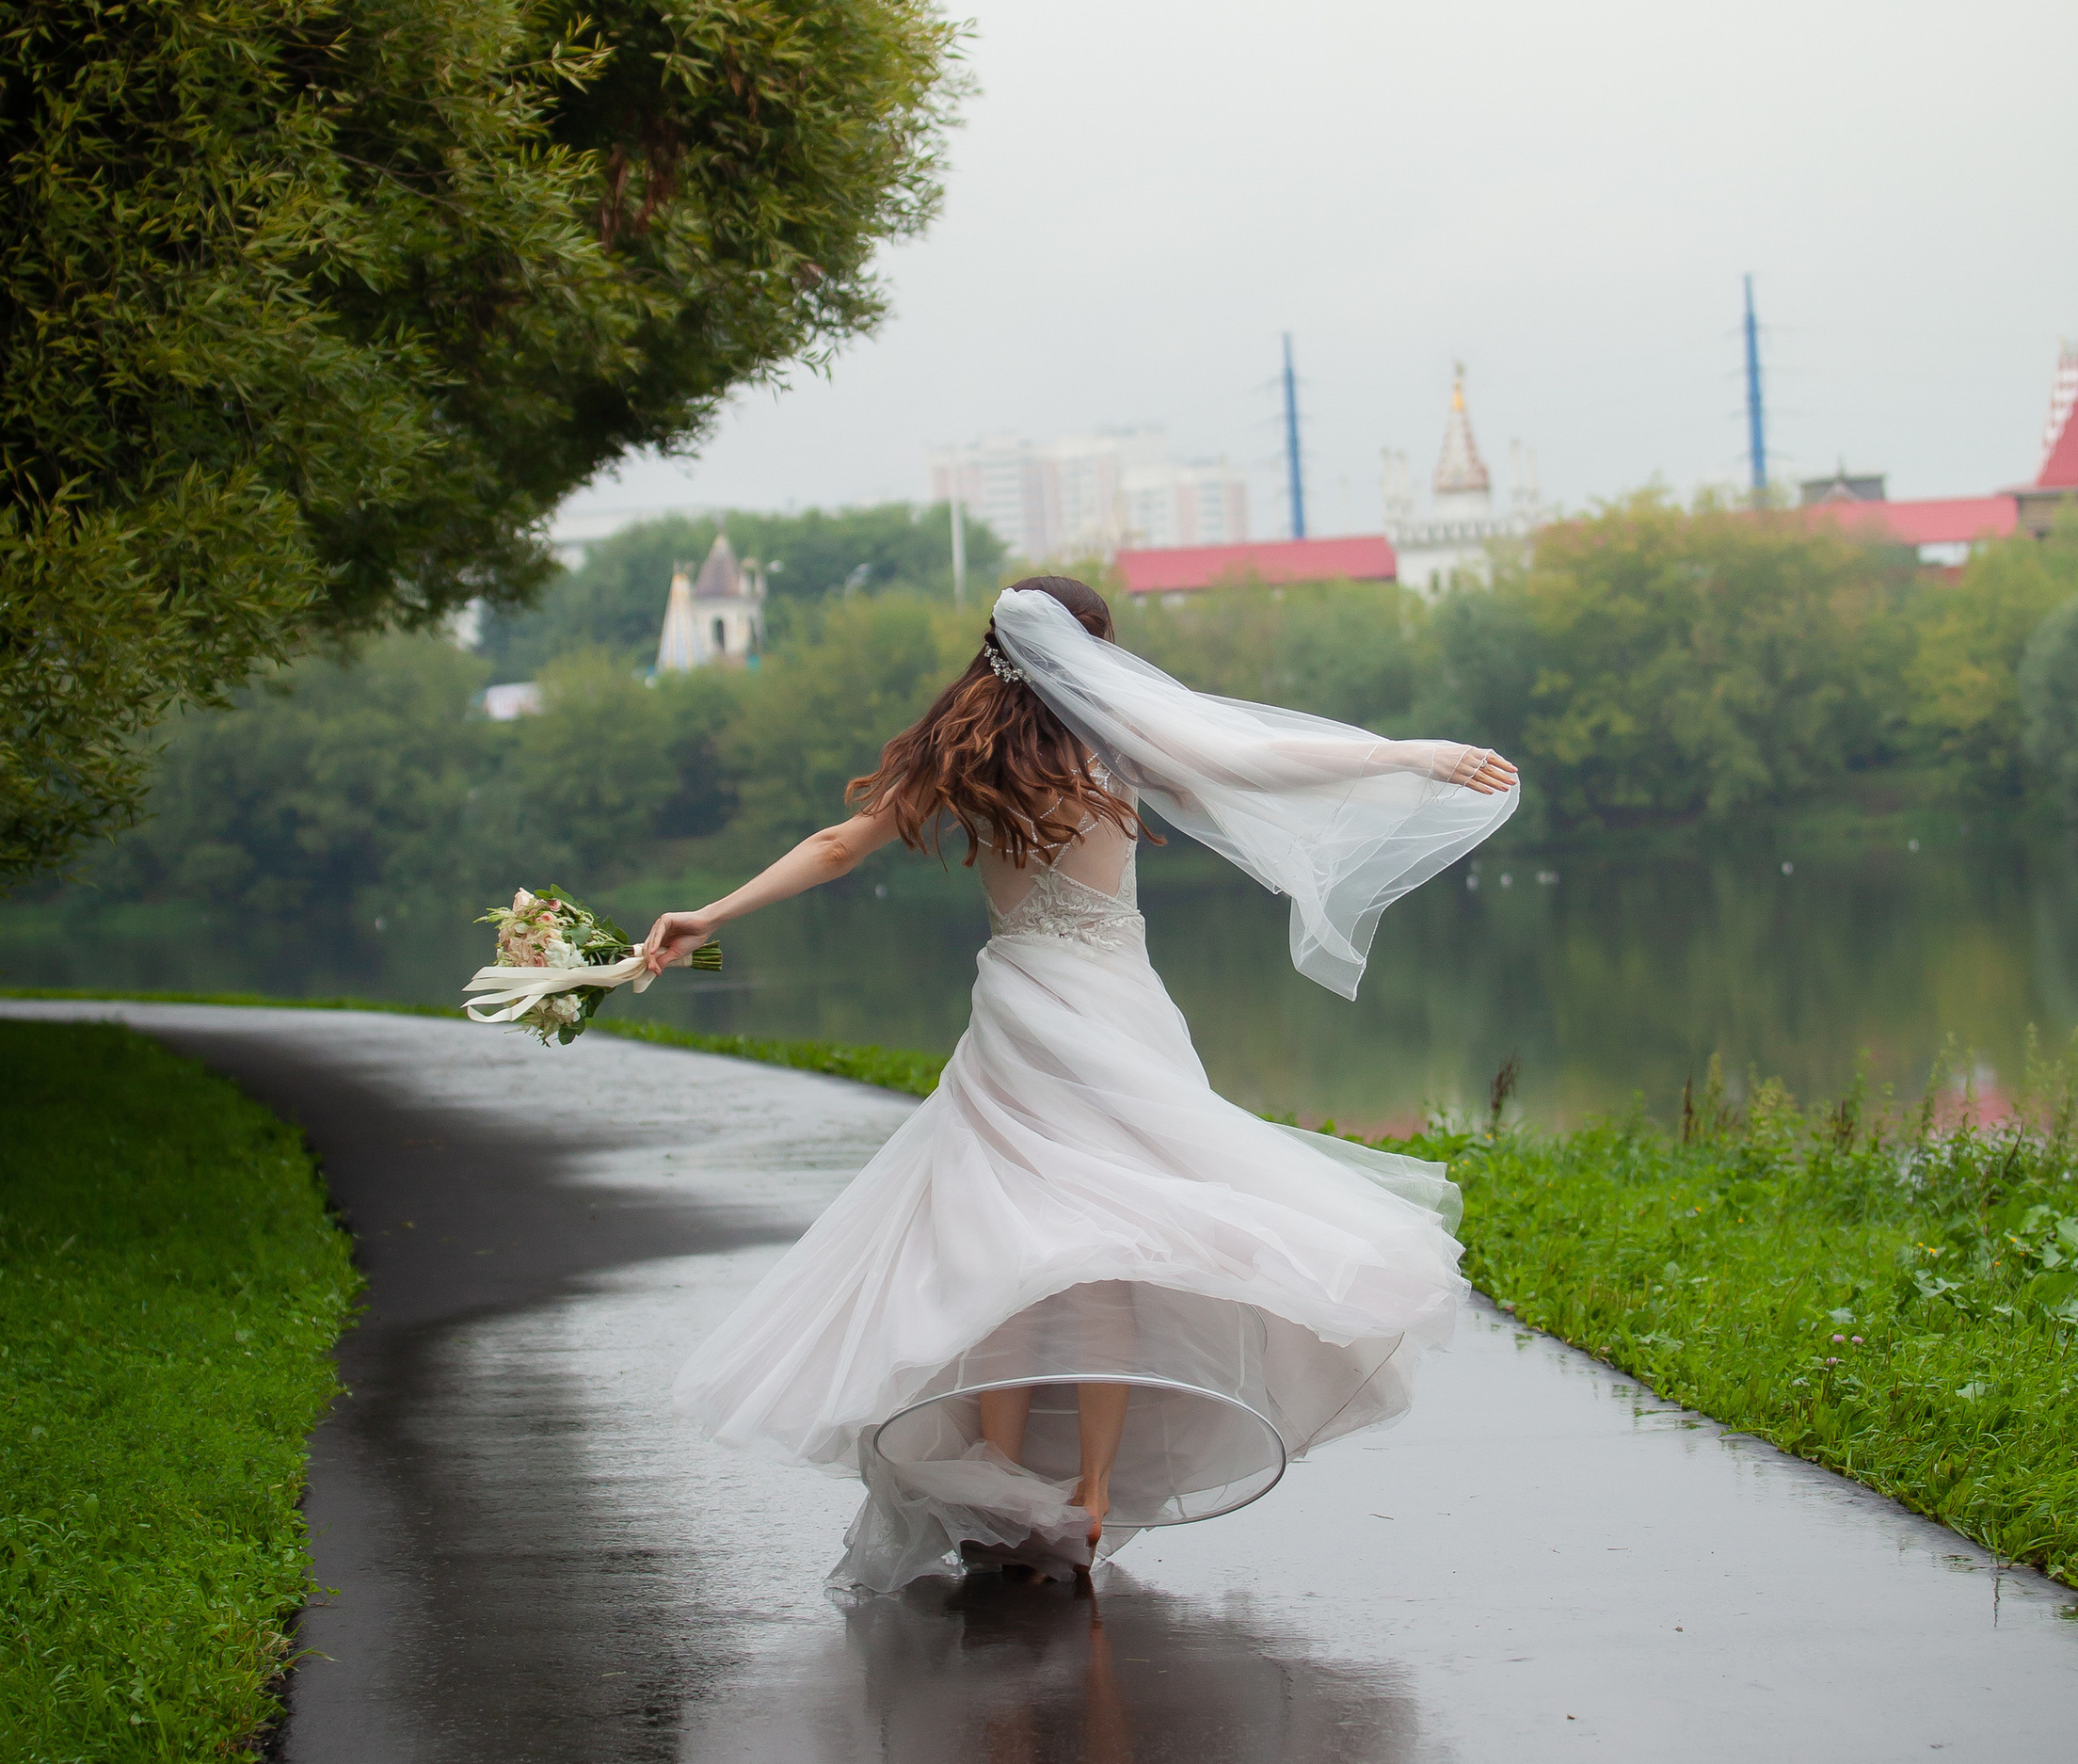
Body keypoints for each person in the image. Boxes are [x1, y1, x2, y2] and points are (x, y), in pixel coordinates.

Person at [640, 577, 1517, 1598]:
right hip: (1115, 1013)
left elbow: (838, 846)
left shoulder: (961, 751)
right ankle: (1091, 1492)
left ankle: (1002, 1483)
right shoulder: (1117, 741)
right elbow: (1258, 758)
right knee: (1111, 1249)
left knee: (1002, 1243)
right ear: (1092, 648)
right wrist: (1407, 755)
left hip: (1019, 1012)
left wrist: (710, 915)